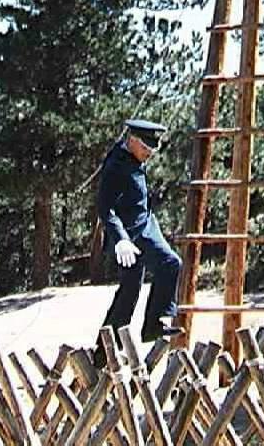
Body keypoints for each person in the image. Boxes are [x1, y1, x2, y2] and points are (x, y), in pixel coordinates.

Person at [92, 119, 184, 368]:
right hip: (130, 236)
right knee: (136, 286)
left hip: (145, 226)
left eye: (151, 149)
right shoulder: (115, 164)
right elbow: (105, 208)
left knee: (165, 267)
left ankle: (152, 325)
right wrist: (121, 239)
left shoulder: (134, 157)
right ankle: (105, 351)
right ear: (132, 140)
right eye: (145, 148)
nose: (149, 154)